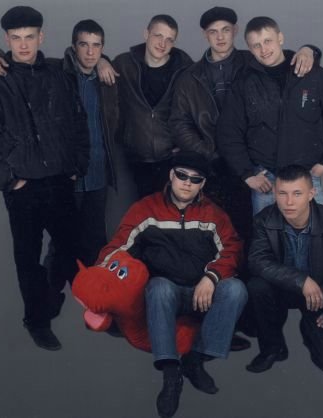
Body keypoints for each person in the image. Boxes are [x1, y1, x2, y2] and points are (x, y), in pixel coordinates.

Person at [168, 7, 321, 348]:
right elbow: (179, 121)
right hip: (213, 168)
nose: (220, 36)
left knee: (256, 242)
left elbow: (290, 63)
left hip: (254, 169)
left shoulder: (253, 60)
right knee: (212, 242)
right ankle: (219, 319)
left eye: (225, 30)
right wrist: (210, 152)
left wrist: (310, 50)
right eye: (213, 31)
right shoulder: (191, 76)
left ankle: (257, 319)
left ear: (236, 32)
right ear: (205, 35)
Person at [0, 6, 90, 351]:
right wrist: (10, 181)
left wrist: (77, 164)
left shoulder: (58, 75)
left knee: (72, 249)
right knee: (27, 258)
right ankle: (37, 321)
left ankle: (57, 296)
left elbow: (79, 121)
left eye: (30, 37)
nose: (23, 45)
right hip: (23, 188)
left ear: (41, 37)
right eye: (16, 38)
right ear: (6, 40)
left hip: (60, 180)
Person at [96, 151, 247, 418]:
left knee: (236, 290)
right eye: (182, 175)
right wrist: (98, 280)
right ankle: (170, 373)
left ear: (202, 184)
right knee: (159, 287)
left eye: (195, 179)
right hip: (164, 293)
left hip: (201, 291)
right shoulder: (146, 209)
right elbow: (118, 248)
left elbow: (232, 250)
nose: (187, 183)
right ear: (171, 175)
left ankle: (196, 360)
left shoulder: (213, 214)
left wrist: (211, 277)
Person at [0, 20, 119, 268]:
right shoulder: (59, 70)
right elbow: (14, 60)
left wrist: (104, 61)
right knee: (59, 252)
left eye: (97, 46)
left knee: (91, 245)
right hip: (60, 178)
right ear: (73, 47)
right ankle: (52, 290)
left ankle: (90, 292)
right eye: (84, 45)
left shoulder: (107, 79)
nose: (90, 52)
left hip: (94, 175)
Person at [217, 16, 323, 215]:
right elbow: (228, 132)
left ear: (280, 38)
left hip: (306, 177)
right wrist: (247, 174)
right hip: (266, 180)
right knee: (266, 234)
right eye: (256, 45)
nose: (263, 49)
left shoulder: (316, 76)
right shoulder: (244, 83)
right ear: (249, 48)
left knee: (319, 232)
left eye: (268, 41)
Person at [246, 165, 323, 374]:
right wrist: (301, 281)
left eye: (297, 193)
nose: (289, 202)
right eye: (283, 193)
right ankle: (273, 348)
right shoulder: (264, 220)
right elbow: (257, 261)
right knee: (256, 286)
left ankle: (310, 327)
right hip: (282, 289)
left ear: (311, 194)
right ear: (274, 193)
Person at [113, 15, 193, 198]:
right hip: (134, 158)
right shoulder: (124, 64)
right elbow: (89, 62)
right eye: (158, 36)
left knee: (169, 210)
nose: (162, 44)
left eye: (169, 39)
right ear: (146, 34)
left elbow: (198, 109)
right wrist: (102, 60)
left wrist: (185, 144)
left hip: (171, 158)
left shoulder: (185, 68)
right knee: (140, 211)